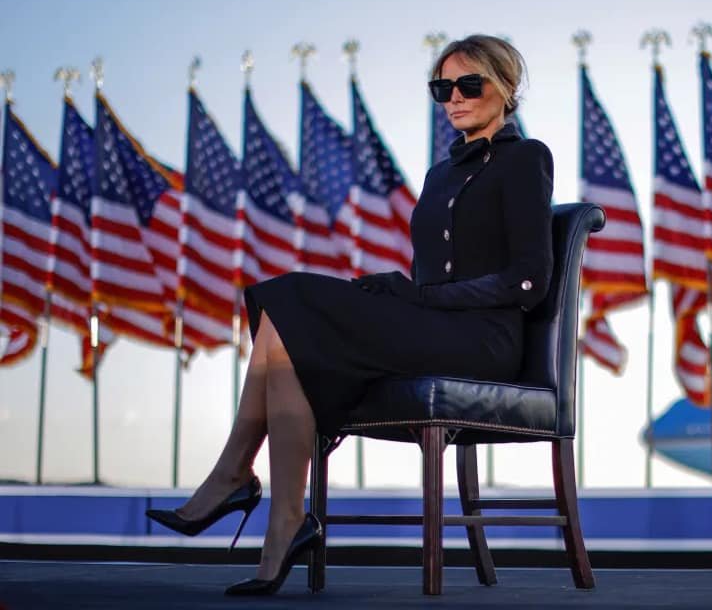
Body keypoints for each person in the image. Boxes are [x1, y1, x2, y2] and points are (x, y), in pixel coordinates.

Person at [146, 34, 554, 596]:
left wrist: (419, 298)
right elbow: (431, 275)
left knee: (291, 297)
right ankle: (284, 522)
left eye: (468, 84)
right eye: (442, 89)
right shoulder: (440, 175)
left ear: (505, 87)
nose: (454, 98)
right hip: (432, 328)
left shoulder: (526, 158)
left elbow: (529, 280)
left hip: (484, 341)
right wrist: (406, 294)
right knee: (285, 330)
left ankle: (236, 477)